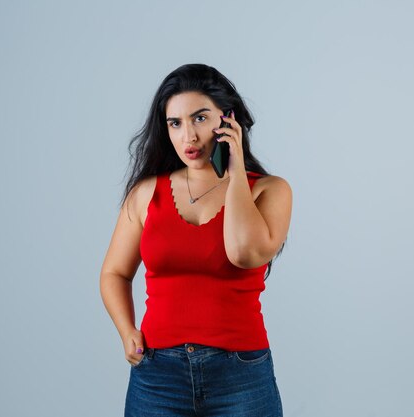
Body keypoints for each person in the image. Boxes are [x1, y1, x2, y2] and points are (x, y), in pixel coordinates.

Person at [100, 63, 292, 416]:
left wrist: (234, 171)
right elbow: (114, 272)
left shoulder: (269, 190)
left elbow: (245, 253)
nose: (188, 136)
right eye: (175, 123)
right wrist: (127, 330)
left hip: (241, 375)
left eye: (200, 118)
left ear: (228, 119)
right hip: (157, 375)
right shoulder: (146, 193)